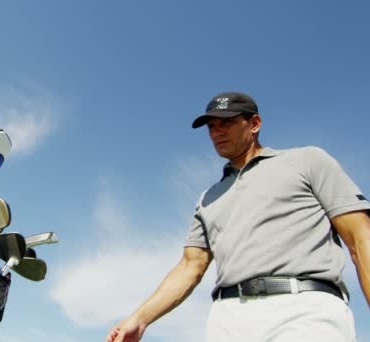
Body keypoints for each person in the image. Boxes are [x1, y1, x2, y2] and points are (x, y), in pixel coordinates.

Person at [105, 92, 370, 342]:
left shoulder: (307, 161)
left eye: (226, 123)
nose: (217, 132)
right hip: (229, 317)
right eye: (211, 126)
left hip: (304, 307)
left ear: (254, 124)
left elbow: (360, 238)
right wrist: (139, 319)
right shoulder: (208, 198)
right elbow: (190, 266)